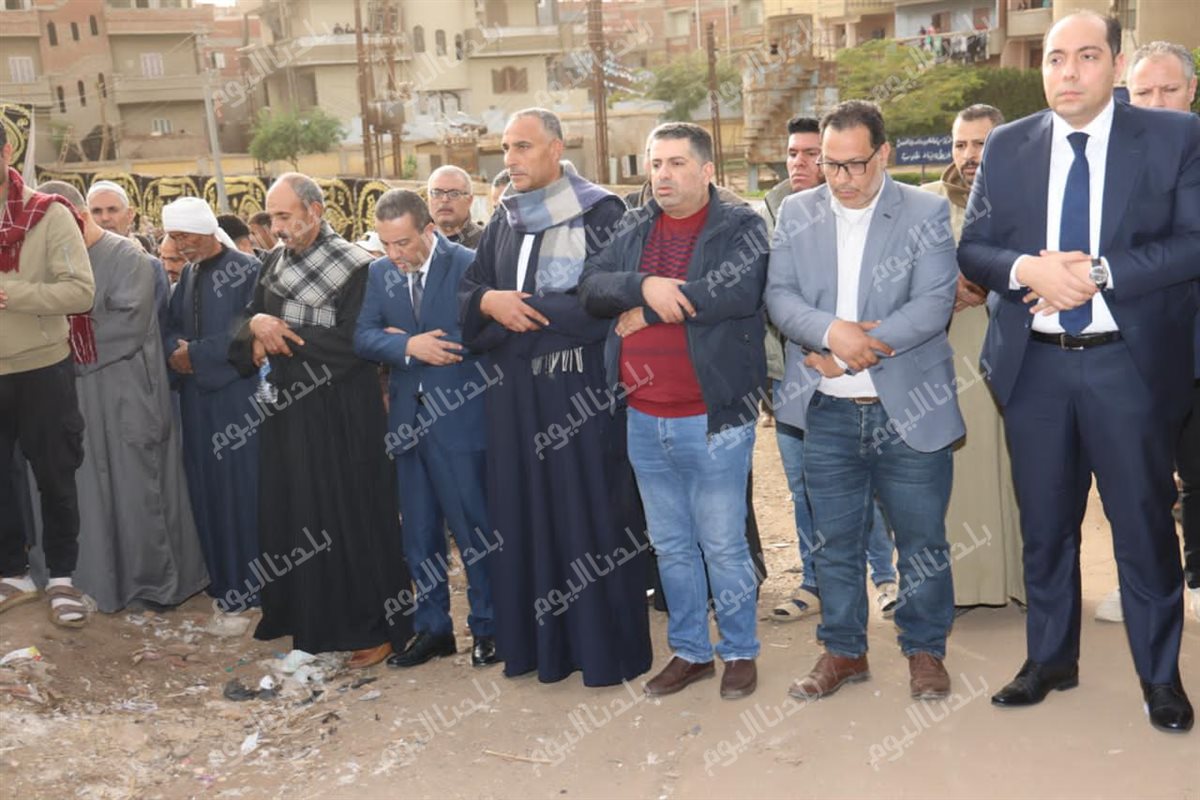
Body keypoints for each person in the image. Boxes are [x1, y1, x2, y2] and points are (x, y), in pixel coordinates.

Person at [958, 12, 1199, 733]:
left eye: (1087, 56)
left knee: (1143, 528)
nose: (1068, 71)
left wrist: (1096, 273)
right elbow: (975, 247)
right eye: (1055, 57)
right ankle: (1050, 660)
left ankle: (1160, 677)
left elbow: (1193, 242)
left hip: (1128, 367)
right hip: (1034, 372)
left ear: (1117, 65)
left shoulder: (1174, 137)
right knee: (1046, 527)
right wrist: (1026, 269)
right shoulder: (1008, 145)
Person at [767, 100, 963, 702]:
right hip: (824, 410)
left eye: (855, 164)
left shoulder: (924, 210)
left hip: (908, 409)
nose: (842, 179)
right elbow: (780, 296)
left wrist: (854, 351)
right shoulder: (797, 210)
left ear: (884, 154)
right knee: (835, 541)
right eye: (832, 165)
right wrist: (833, 334)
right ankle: (844, 651)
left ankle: (925, 650)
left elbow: (933, 303)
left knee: (921, 540)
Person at [458, 108, 651, 686]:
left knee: (585, 516)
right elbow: (471, 291)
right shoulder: (506, 216)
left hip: (577, 398)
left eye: (522, 146)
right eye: (505, 148)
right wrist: (490, 303)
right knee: (525, 515)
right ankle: (537, 649)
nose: (510, 159)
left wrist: (523, 311)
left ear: (556, 149)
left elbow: (603, 299)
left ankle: (601, 652)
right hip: (514, 399)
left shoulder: (601, 212)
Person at [579, 122, 767, 700]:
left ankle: (739, 651)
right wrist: (645, 285)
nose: (663, 174)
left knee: (723, 543)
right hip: (643, 416)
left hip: (712, 417)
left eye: (677, 163)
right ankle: (690, 652)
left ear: (707, 170)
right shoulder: (634, 225)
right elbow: (591, 287)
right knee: (670, 545)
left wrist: (653, 308)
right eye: (656, 163)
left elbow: (736, 291)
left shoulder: (740, 225)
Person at [229, 172, 413, 669]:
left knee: (350, 517)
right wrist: (256, 326)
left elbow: (356, 342)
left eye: (284, 216)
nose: (276, 227)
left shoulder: (357, 267)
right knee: (295, 515)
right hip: (287, 414)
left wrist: (282, 337)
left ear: (315, 211)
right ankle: (304, 618)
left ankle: (373, 627)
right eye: (272, 217)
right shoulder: (272, 263)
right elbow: (248, 321)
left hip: (342, 415)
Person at [40, 180, 207, 613]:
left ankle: (147, 586)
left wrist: (51, 349)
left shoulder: (127, 258)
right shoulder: (52, 256)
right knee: (83, 493)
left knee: (135, 495)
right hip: (71, 398)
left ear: (73, 218)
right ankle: (84, 584)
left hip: (123, 397)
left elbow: (126, 328)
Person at [763, 114, 899, 623]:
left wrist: (843, 345)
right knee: (805, 486)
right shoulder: (771, 212)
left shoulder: (872, 212)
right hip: (791, 375)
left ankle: (883, 577)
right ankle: (814, 583)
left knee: (867, 484)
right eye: (794, 154)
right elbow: (774, 296)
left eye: (812, 155)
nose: (802, 163)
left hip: (860, 373)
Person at [354, 189, 498, 669]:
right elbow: (363, 337)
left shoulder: (468, 264)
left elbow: (489, 333)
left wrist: (428, 345)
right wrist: (407, 347)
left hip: (460, 420)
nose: (394, 254)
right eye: (385, 243)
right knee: (418, 534)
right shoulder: (379, 273)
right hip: (407, 425)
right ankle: (433, 629)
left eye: (403, 242)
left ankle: (490, 627)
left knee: (474, 530)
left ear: (429, 230)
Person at [1095, 40, 1200, 625]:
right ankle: (1143, 580)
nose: (1157, 102)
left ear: (1192, 90)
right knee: (1136, 477)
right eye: (1143, 92)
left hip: (1194, 346)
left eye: (1169, 89)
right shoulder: (1106, 162)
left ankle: (1197, 577)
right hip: (1133, 348)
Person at [920, 104, 1025, 610]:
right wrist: (946, 290)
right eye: (960, 144)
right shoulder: (926, 204)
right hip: (945, 359)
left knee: (1013, 470)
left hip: (1013, 355)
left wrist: (993, 281)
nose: (968, 155)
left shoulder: (1028, 198)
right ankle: (959, 588)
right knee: (960, 473)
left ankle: (1019, 583)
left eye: (980, 143)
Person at [0, 135, 95, 628]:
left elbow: (80, 292)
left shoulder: (49, 213)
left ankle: (62, 577)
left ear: (6, 153)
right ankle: (13, 574)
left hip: (42, 366)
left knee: (55, 476)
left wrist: (9, 293)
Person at [162, 197, 262, 613]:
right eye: (174, 237)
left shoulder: (248, 270)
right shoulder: (188, 274)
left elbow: (250, 334)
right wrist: (176, 354)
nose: (179, 245)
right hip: (197, 402)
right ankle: (222, 581)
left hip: (237, 399)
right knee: (206, 491)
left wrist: (196, 356)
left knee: (242, 492)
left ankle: (253, 585)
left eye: (185, 236)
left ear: (206, 231)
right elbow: (170, 326)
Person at [87, 180, 171, 349]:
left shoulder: (150, 266)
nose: (105, 218)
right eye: (96, 211)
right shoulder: (79, 265)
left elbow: (155, 326)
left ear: (130, 214)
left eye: (112, 210)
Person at [427, 165, 483, 249]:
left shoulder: (487, 243)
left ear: (469, 200)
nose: (445, 199)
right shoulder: (414, 242)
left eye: (454, 194)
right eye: (437, 193)